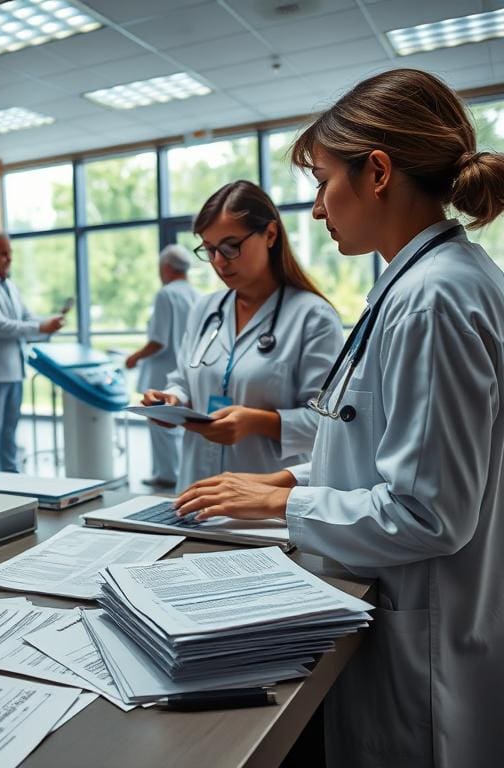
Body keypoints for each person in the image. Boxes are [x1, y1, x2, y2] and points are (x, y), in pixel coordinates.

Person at [172, 69, 504, 768]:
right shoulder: (421, 286)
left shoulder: (433, 300)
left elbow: (429, 513)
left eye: (322, 181)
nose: (318, 210)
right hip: (402, 606)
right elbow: (370, 438)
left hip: (424, 640)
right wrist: (285, 482)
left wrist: (288, 503)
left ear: (377, 171)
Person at [143, 180, 342, 491]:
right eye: (209, 250)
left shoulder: (312, 316)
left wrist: (256, 421)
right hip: (196, 492)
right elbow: (182, 380)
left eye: (231, 246)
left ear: (270, 235)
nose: (219, 262)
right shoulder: (205, 309)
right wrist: (172, 401)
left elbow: (329, 424)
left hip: (268, 500)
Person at [0, 232, 64, 472]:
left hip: (14, 369)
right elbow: (0, 326)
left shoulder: (9, 285)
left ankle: (12, 478)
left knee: (10, 429)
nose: (8, 258)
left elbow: (26, 319)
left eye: (10, 252)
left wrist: (48, 324)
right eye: (3, 253)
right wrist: (41, 327)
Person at [125, 244, 198, 488]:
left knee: (161, 426)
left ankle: (167, 474)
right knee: (177, 427)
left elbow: (159, 340)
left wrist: (134, 357)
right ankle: (177, 473)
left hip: (163, 371)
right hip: (186, 369)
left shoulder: (166, 294)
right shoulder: (195, 295)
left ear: (166, 267)